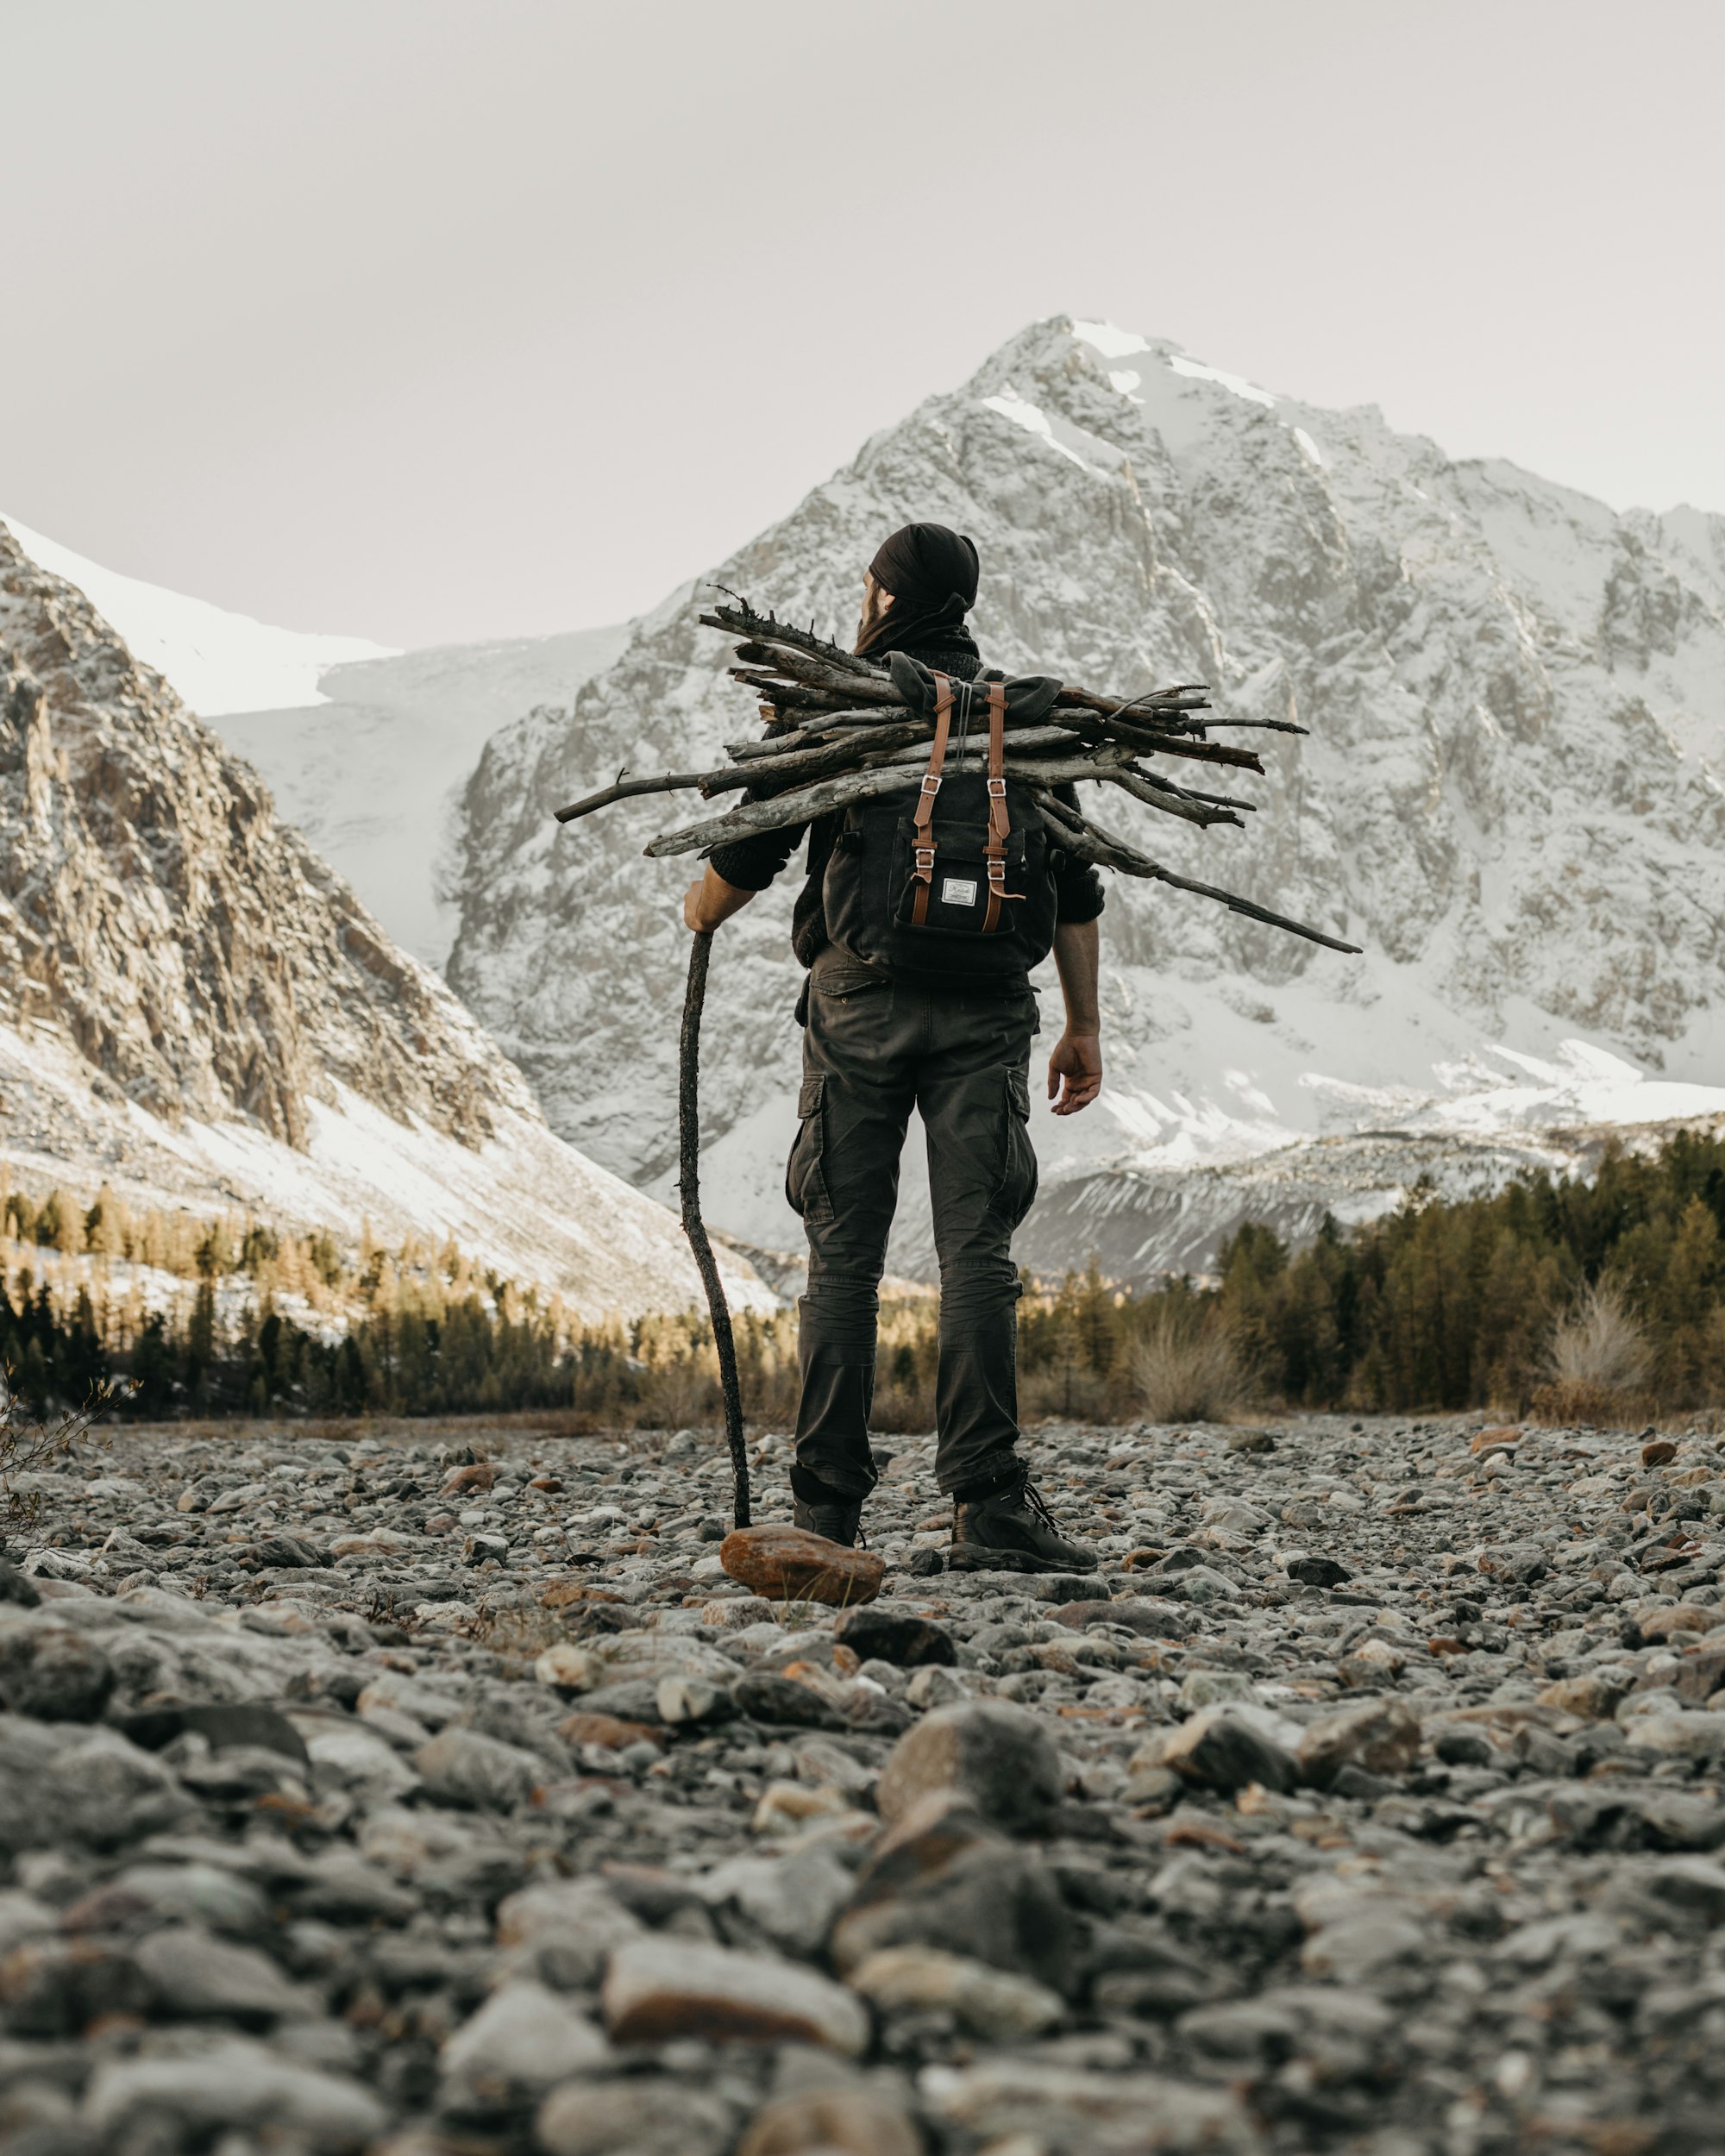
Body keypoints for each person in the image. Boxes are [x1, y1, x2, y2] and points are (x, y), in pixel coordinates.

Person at [682, 522, 1102, 1572]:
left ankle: (824, 1510)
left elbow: (750, 847)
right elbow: (1077, 886)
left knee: (845, 1254)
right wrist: (1084, 1024)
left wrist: (697, 910)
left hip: (856, 1007)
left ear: (884, 599)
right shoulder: (1019, 722)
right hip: (988, 1012)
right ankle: (988, 1502)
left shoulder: (845, 707)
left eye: (869, 587)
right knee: (976, 1256)